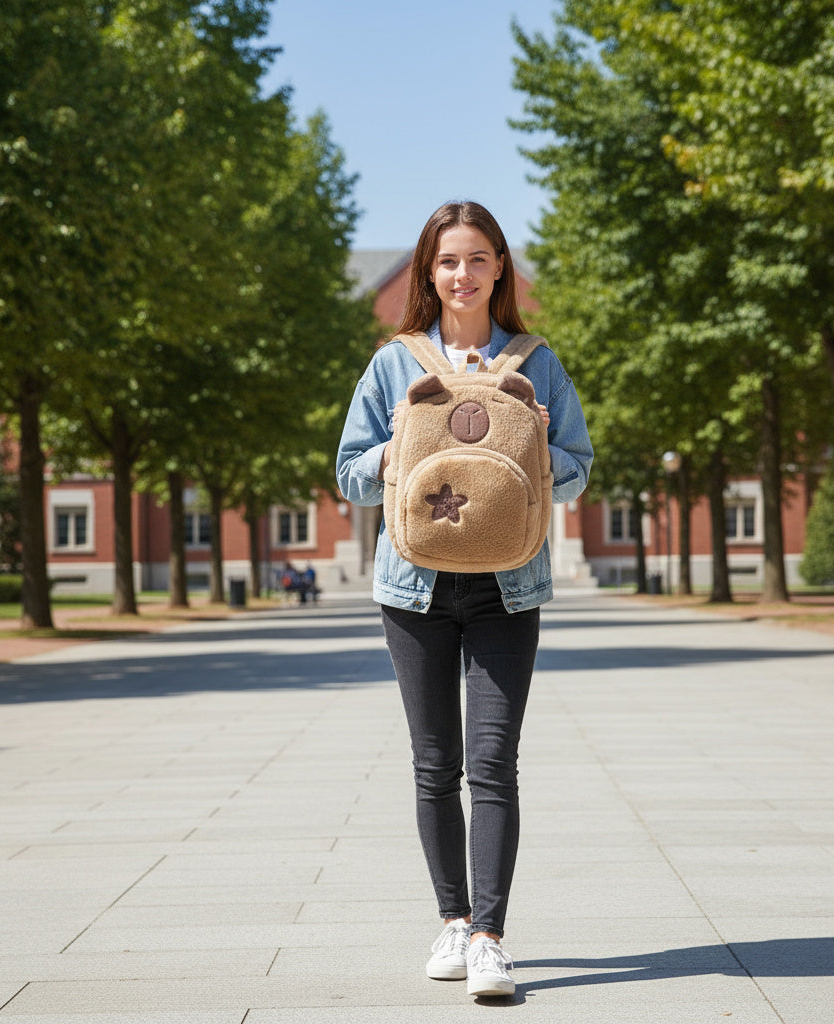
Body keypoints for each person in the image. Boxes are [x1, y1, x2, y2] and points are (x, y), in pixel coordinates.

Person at [336, 201, 592, 999]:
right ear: (429, 271)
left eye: (478, 258)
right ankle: (452, 919)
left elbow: (579, 469)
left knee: (492, 762)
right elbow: (348, 474)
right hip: (413, 589)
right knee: (434, 763)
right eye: (448, 260)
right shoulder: (394, 362)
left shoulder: (536, 360)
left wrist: (537, 442)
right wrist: (394, 448)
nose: (463, 274)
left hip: (508, 587)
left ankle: (489, 937)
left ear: (499, 268)